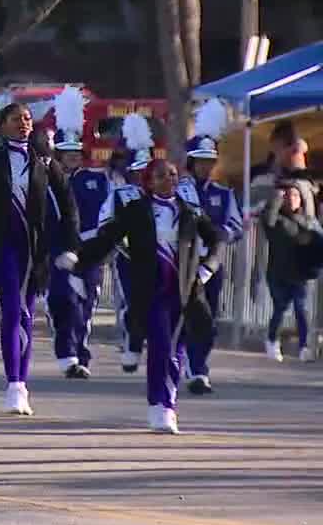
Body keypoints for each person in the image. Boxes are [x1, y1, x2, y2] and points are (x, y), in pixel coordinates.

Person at [72, 159, 224, 434]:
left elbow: (216, 239)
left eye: (174, 175)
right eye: (163, 176)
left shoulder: (190, 212)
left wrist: (206, 269)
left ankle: (168, 402)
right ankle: (160, 406)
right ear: (149, 181)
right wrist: (77, 262)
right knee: (161, 346)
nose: (170, 180)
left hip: (183, 291)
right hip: (151, 291)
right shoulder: (136, 211)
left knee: (176, 349)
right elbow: (107, 239)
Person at [0, 103, 78, 416]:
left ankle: (21, 382)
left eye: (26, 119)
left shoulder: (45, 162)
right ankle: (14, 383)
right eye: (15, 119)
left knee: (25, 313)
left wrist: (69, 246)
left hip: (34, 250)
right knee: (12, 307)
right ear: (2, 125)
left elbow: (69, 207)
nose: (23, 124)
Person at [177, 100, 243, 393]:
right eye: (200, 161)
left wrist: (220, 234)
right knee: (180, 318)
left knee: (208, 320)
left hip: (210, 265)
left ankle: (198, 367)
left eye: (209, 161)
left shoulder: (223, 194)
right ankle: (187, 366)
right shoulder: (178, 190)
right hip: (181, 264)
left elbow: (235, 226)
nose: (205, 166)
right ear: (191, 162)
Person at [48, 86, 111, 379]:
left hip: (90, 251)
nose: (72, 157)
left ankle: (80, 354)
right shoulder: (47, 180)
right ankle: (67, 354)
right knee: (64, 302)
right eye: (66, 153)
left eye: (76, 152)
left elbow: (108, 215)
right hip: (57, 250)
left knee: (86, 306)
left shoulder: (96, 180)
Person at [100, 113, 155, 373]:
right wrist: (123, 245)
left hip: (158, 258)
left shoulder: (165, 195)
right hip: (128, 256)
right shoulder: (121, 195)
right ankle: (131, 341)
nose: (143, 176)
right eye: (139, 171)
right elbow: (107, 223)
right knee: (131, 300)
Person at [261, 183, 320, 363]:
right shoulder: (277, 221)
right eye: (287, 196)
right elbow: (268, 222)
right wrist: (276, 200)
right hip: (278, 273)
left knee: (301, 310)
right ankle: (272, 341)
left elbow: (318, 239)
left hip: (300, 274)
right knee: (280, 308)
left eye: (295, 196)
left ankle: (304, 347)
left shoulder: (307, 221)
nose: (291, 199)